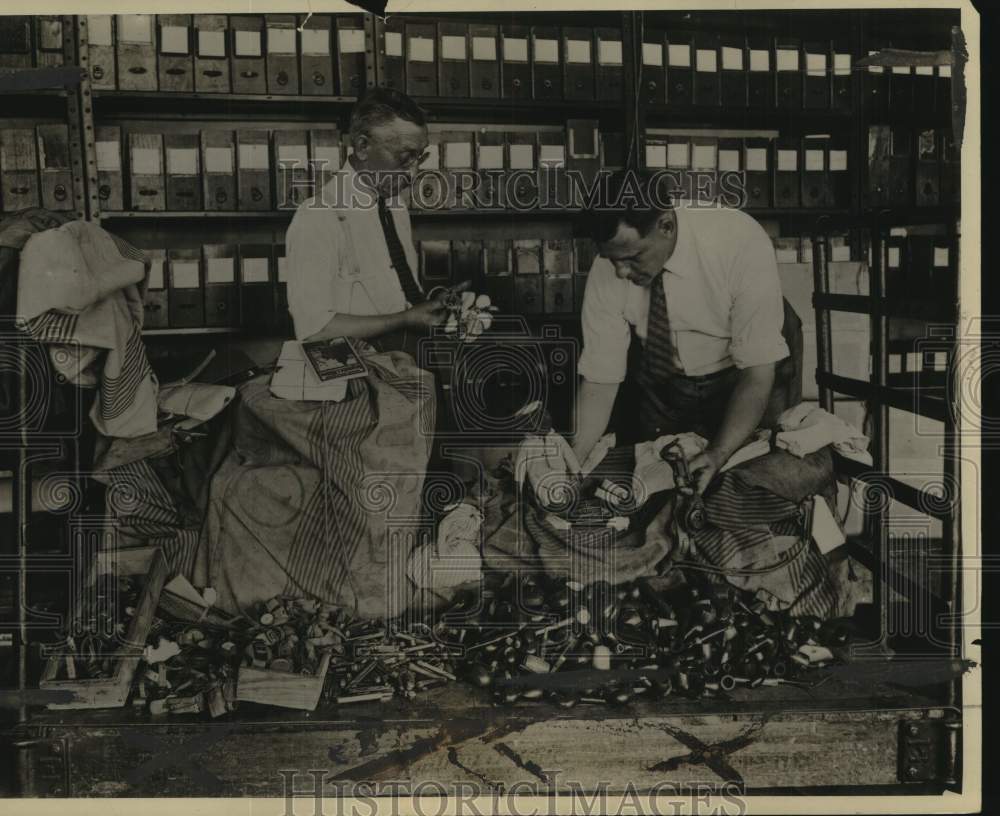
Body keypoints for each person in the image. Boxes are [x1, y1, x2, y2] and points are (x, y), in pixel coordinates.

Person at [570, 170, 797, 495]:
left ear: (666, 225)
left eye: (633, 258)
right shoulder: (608, 270)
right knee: (661, 488)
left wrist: (717, 454)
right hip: (667, 379)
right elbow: (600, 380)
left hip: (745, 375)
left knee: (757, 482)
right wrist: (570, 463)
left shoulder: (738, 240)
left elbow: (758, 372)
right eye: (613, 261)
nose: (621, 272)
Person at [285, 88, 449, 350]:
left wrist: (437, 304)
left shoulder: (394, 205)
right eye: (405, 158)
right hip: (359, 376)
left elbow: (398, 294)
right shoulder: (317, 216)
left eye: (421, 157)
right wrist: (405, 319)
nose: (414, 172)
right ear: (362, 147)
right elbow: (314, 329)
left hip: (409, 360)